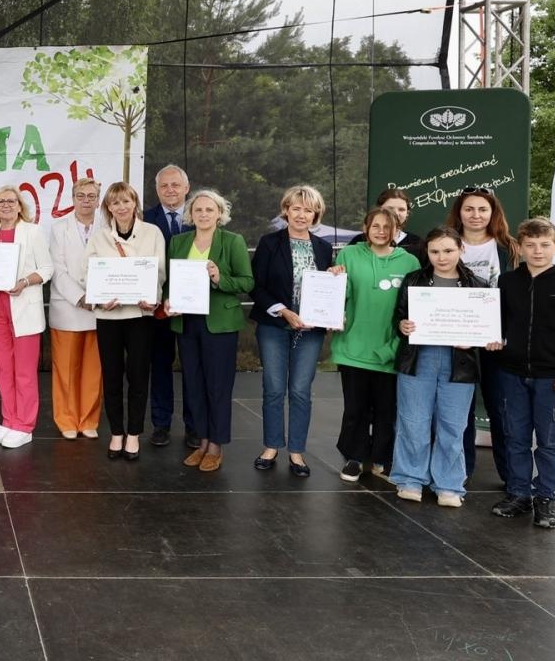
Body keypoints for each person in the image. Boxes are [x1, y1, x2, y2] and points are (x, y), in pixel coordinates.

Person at [490, 218, 555, 530]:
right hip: (511, 375)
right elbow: (497, 323)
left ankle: (546, 498)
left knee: (550, 443)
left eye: (544, 245)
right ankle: (519, 494)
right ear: (520, 248)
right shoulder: (508, 283)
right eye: (531, 245)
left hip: (554, 379)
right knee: (516, 438)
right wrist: (493, 339)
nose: (538, 251)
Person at [389, 226, 484, 507]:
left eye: (448, 250)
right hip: (419, 359)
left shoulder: (478, 285)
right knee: (413, 422)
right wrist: (402, 325)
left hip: (460, 364)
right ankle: (410, 479)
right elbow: (399, 317)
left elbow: (486, 328)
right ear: (426, 252)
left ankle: (449, 484)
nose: (441, 257)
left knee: (453, 426)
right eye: (434, 251)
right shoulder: (413, 280)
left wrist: (475, 340)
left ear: (460, 250)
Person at [165, 189, 253, 473]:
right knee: (193, 385)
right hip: (187, 322)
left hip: (219, 325)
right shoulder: (178, 242)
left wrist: (218, 277)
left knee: (217, 386)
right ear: (190, 214)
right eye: (198, 210)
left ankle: (216, 445)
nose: (203, 214)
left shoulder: (232, 241)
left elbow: (246, 282)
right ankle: (201, 441)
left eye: (209, 210)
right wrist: (168, 301)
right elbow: (170, 282)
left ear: (220, 214)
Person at [330, 206, 420, 482]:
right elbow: (340, 299)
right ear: (366, 228)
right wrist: (333, 282)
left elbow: (412, 308)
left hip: (390, 350)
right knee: (355, 408)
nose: (381, 231)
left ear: (396, 230)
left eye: (387, 227)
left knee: (386, 409)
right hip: (353, 348)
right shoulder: (348, 254)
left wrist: (395, 344)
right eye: (375, 226)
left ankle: (382, 458)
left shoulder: (409, 262)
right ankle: (354, 458)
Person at [250, 185, 334, 477]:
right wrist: (284, 310)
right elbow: (256, 286)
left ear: (316, 214)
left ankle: (296, 451)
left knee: (300, 390)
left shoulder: (324, 248)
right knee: (273, 388)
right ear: (286, 210)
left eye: (308, 210)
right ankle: (271, 446)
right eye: (296, 208)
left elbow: (328, 290)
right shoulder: (269, 242)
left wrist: (335, 276)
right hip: (274, 324)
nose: (301, 214)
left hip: (310, 330)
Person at [85, 181, 166, 461]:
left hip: (140, 315)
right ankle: (116, 433)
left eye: (126, 201)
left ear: (135, 204)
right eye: (115, 202)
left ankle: (133, 434)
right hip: (108, 315)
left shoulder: (152, 233)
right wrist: (98, 296)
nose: (121, 207)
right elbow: (89, 274)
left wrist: (151, 297)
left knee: (138, 375)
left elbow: (160, 271)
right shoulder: (99, 238)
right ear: (108, 207)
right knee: (111, 376)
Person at [446, 186, 519, 486]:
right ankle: (460, 473)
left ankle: (512, 477)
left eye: (482, 209)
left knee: (501, 411)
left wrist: (504, 335)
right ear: (459, 212)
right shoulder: (444, 244)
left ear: (493, 213)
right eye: (469, 209)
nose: (475, 215)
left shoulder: (509, 248)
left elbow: (516, 299)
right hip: (455, 340)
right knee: (458, 413)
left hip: (494, 343)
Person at [0, 185, 54, 450]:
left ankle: (25, 426)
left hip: (25, 310)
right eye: (1, 202)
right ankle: (9, 420)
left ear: (20, 206)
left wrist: (24, 281)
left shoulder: (33, 232)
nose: (7, 206)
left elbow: (47, 268)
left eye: (12, 201)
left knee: (24, 372)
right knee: (3, 369)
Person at [143, 163, 196, 449]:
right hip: (157, 308)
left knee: (192, 368)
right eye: (164, 185)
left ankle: (193, 426)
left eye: (176, 184)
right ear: (157, 190)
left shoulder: (200, 215)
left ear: (187, 188)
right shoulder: (145, 218)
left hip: (192, 307)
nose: (170, 190)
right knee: (159, 366)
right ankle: (161, 424)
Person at [48, 177, 103, 440]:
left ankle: (88, 419)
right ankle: (66, 419)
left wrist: (99, 296)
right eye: (81, 196)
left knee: (94, 369)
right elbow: (57, 270)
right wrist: (81, 297)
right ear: (72, 199)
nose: (86, 201)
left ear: (98, 199)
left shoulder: (108, 226)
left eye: (91, 196)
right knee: (66, 369)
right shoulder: (59, 228)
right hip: (68, 307)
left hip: (101, 308)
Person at [348, 188, 424, 261]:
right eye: (390, 208)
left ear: (407, 213)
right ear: (379, 209)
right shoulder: (360, 240)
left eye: (401, 209)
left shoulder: (416, 243)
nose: (396, 213)